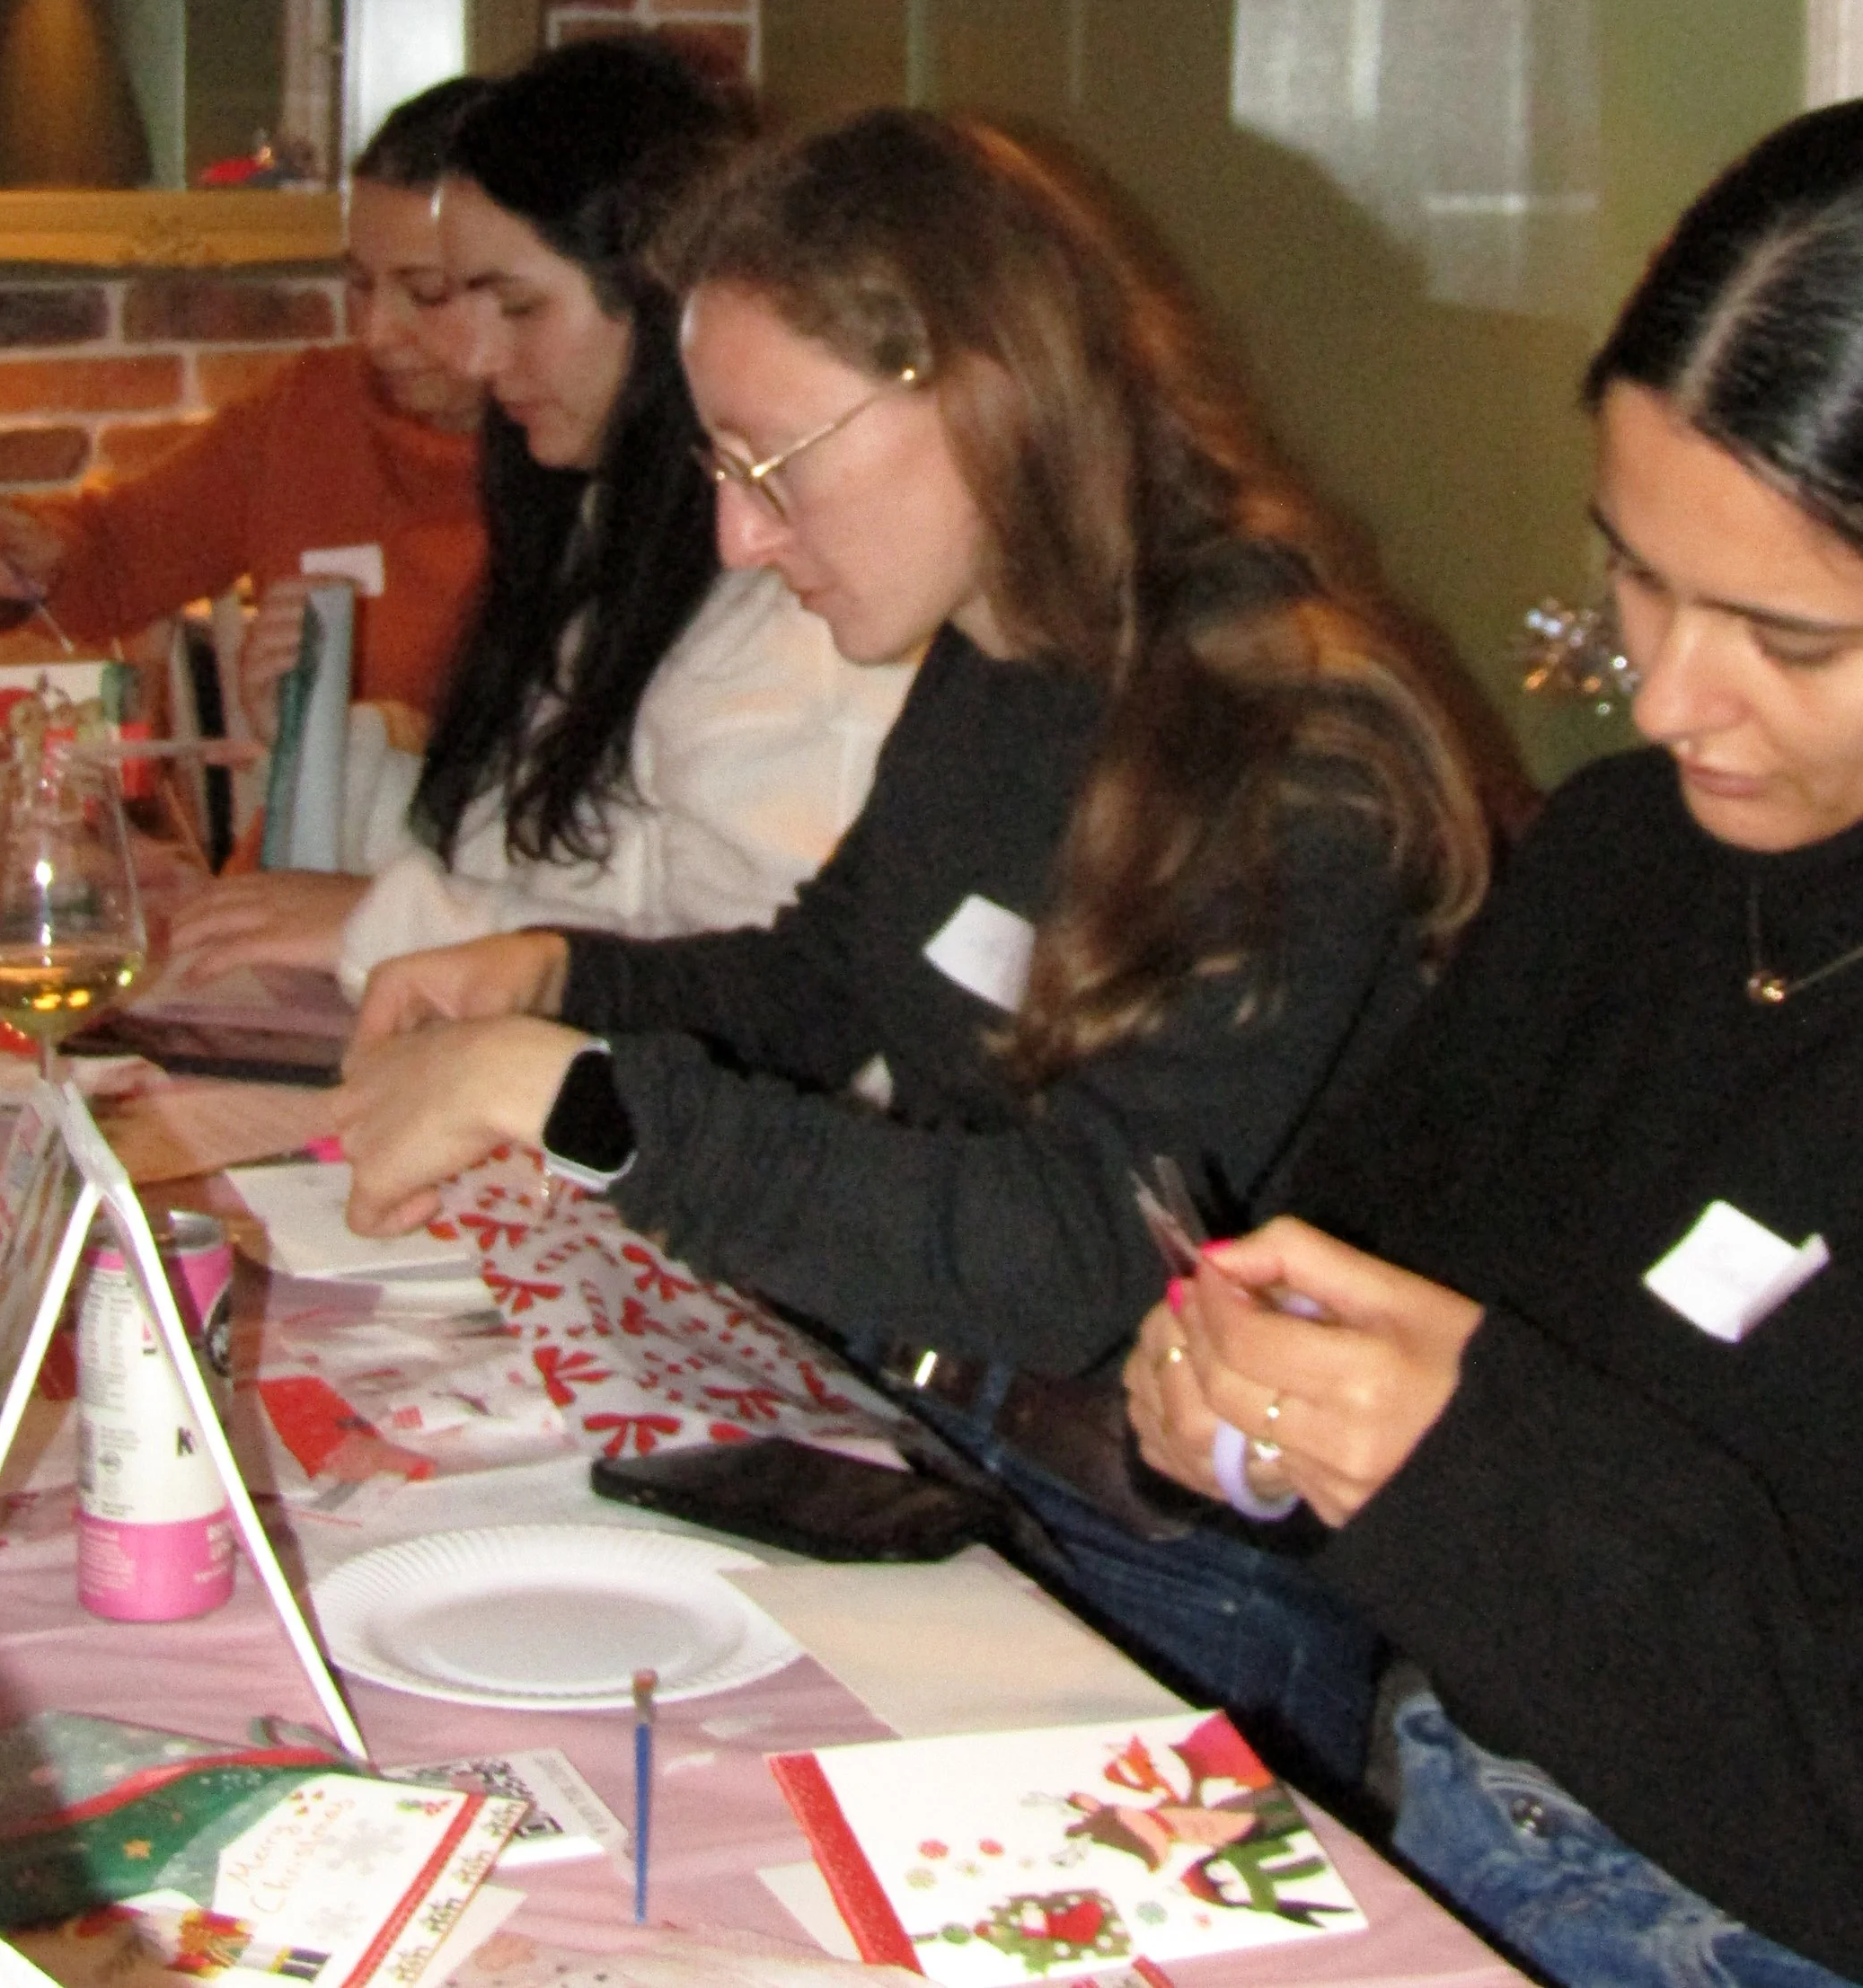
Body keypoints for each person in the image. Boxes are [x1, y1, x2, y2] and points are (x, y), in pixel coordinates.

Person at [328, 107, 1493, 1787]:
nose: (735, 537)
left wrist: (569, 1091)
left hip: (1179, 1566)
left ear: (982, 393)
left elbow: (1084, 1251)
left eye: (769, 464)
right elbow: (825, 977)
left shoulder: (1285, 745)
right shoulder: (1001, 645)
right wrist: (554, 978)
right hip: (935, 1438)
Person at [1125, 97, 1863, 1988]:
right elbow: (1351, 1265)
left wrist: (1469, 1483)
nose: (1661, 695)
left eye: (1790, 640)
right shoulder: (1627, 864)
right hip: (1448, 1827)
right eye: (1631, 575)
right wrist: (1245, 1417)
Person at [168, 39, 910, 992]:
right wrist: (325, 746)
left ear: (653, 295)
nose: (472, 358)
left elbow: (746, 983)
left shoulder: (789, 595)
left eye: (515, 309)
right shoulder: (604, 527)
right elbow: (529, 856)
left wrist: (383, 923)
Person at [0, 75, 493, 740]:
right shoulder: (315, 408)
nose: (377, 330)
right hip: (306, 843)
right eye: (357, 283)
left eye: (427, 292)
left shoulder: (583, 462)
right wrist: (40, 553)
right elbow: (119, 554)